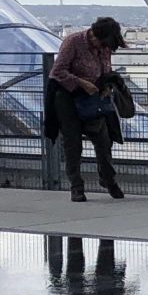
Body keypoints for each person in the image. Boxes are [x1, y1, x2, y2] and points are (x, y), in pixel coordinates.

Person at [46, 16, 127, 203]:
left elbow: (106, 71)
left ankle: (108, 179)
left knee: (104, 141)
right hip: (68, 99)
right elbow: (57, 72)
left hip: (93, 98)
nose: (103, 48)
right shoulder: (73, 42)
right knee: (72, 144)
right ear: (95, 35)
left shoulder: (105, 47)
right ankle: (76, 187)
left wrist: (107, 87)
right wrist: (80, 82)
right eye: (102, 44)